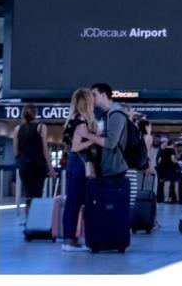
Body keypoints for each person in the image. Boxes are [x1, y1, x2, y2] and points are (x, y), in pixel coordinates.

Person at [60, 88, 97, 252]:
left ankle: (68, 238)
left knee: (71, 202)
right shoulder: (81, 120)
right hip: (80, 163)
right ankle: (70, 240)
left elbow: (69, 146)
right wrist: (93, 140)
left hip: (72, 163)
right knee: (76, 202)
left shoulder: (70, 120)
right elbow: (76, 147)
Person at [11, 103, 57, 216]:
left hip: (24, 166)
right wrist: (50, 169)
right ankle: (34, 224)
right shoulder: (41, 127)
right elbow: (45, 150)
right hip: (38, 166)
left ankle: (29, 224)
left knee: (28, 196)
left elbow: (15, 152)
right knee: (36, 196)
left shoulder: (17, 129)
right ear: (36, 114)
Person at [85, 83, 129, 181]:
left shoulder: (116, 115)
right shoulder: (104, 116)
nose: (91, 98)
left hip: (114, 172)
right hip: (106, 170)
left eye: (94, 94)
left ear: (104, 95)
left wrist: (86, 134)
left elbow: (110, 143)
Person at [156, 139, 179, 203]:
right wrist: (176, 161)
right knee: (175, 183)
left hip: (164, 169)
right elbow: (172, 160)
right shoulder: (172, 150)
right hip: (172, 169)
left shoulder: (162, 151)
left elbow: (159, 161)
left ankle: (166, 198)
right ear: (172, 144)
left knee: (166, 183)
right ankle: (177, 199)